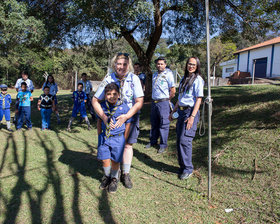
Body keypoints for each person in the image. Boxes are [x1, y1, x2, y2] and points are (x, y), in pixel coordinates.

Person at [93, 52, 144, 189]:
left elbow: (139, 101)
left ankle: (125, 174)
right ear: (114, 64)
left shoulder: (134, 79)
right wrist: (104, 117)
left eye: (124, 64)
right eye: (119, 64)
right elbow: (95, 100)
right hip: (111, 119)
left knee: (127, 145)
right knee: (110, 148)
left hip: (129, 117)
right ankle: (112, 176)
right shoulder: (109, 78)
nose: (121, 67)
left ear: (129, 65)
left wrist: (126, 116)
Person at [169, 57, 204, 180]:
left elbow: (199, 99)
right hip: (181, 111)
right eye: (189, 63)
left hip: (190, 112)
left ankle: (188, 169)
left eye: (194, 64)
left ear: (197, 66)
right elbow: (180, 99)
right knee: (179, 140)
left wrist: (192, 117)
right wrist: (173, 112)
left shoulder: (198, 80)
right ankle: (182, 166)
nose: (191, 66)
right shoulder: (184, 79)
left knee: (185, 140)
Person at [97, 83, 131, 193]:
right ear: (105, 95)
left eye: (114, 94)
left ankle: (114, 179)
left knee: (115, 160)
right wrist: (99, 135)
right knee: (104, 159)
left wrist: (124, 139)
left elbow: (128, 124)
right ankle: (107, 176)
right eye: (108, 94)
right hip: (105, 137)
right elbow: (98, 121)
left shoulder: (124, 107)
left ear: (119, 94)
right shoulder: (102, 107)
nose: (112, 96)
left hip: (118, 138)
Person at [145, 57, 176, 153]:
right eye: (158, 64)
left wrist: (167, 100)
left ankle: (163, 145)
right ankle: (153, 141)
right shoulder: (154, 74)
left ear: (165, 65)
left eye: (162, 64)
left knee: (164, 124)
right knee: (154, 123)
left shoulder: (169, 74)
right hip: (154, 102)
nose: (160, 65)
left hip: (163, 102)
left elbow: (173, 91)